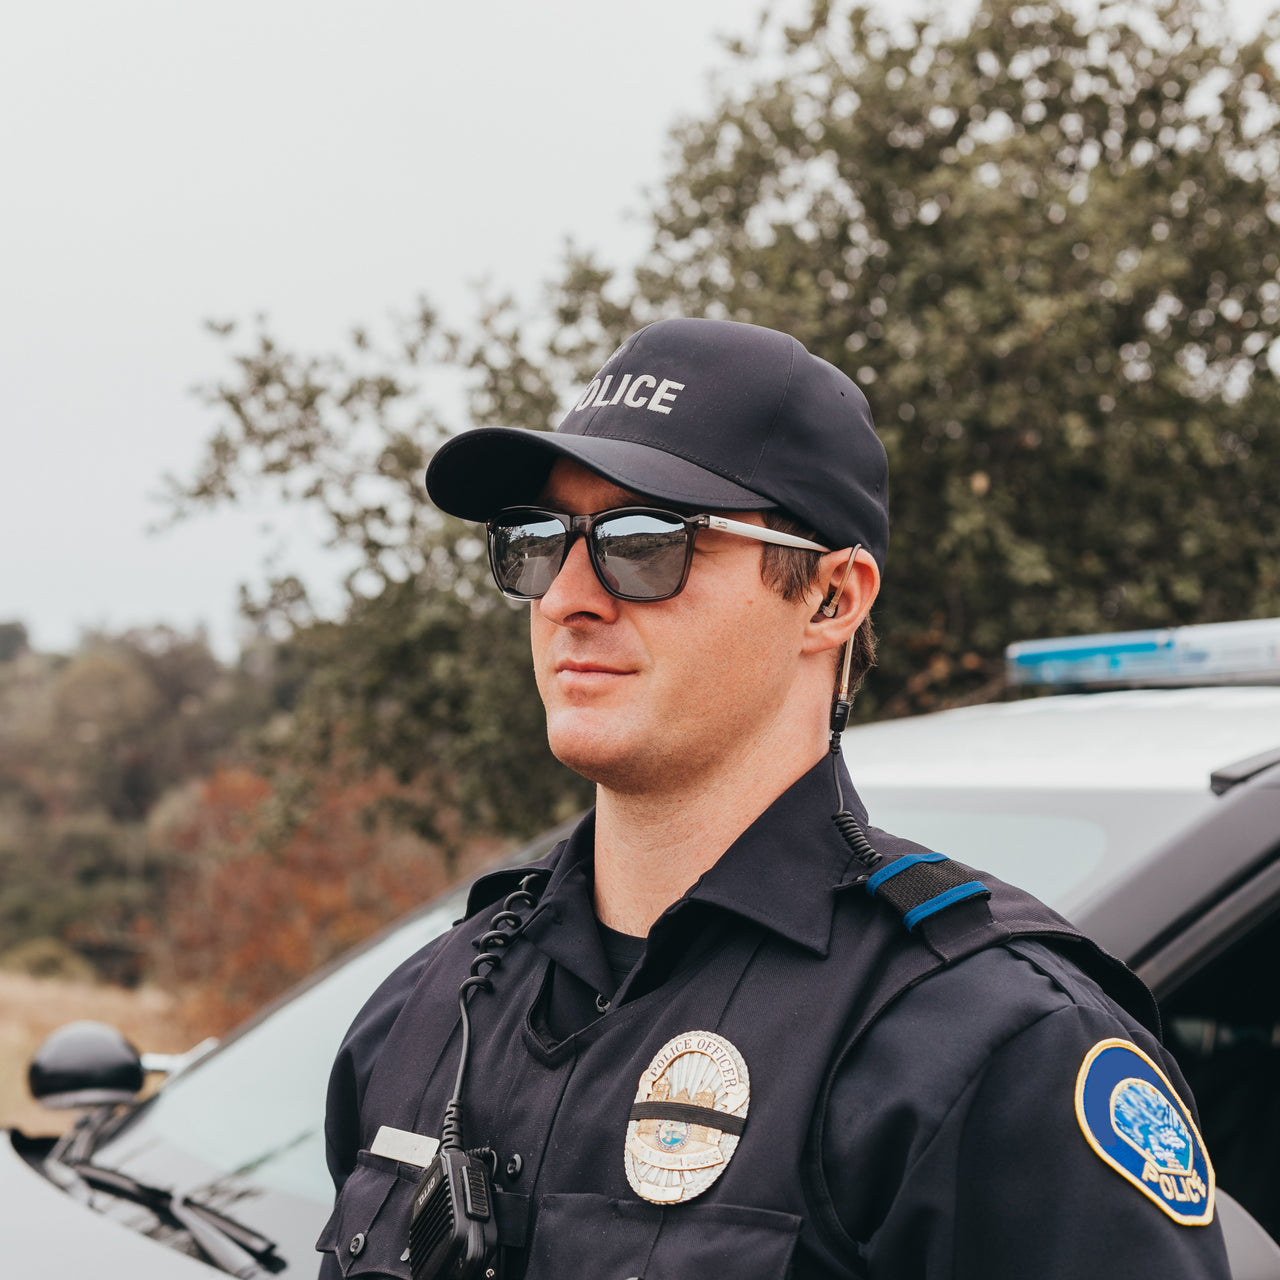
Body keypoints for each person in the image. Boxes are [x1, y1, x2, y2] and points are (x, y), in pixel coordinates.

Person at [317, 318, 1229, 1278]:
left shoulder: (997, 1054)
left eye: (644, 541)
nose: (565, 598)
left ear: (832, 599)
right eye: (540, 538)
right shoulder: (429, 1011)